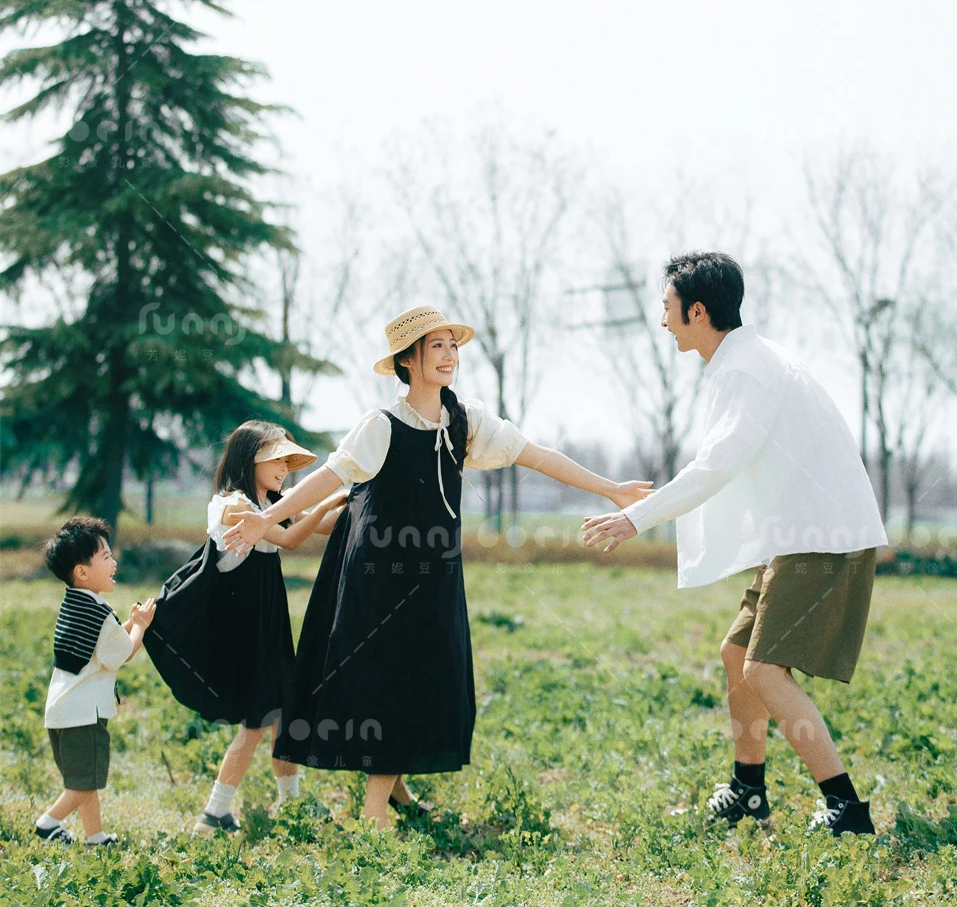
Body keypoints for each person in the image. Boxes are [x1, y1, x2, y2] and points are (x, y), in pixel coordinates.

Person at [223, 305, 652, 829]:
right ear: (407, 360)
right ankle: (375, 809)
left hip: (435, 575)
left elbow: (536, 455)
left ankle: (396, 791)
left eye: (453, 345)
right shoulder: (380, 426)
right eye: (437, 346)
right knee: (391, 676)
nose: (450, 355)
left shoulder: (466, 421)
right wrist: (266, 517)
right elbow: (328, 479)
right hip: (378, 575)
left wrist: (608, 489)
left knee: (423, 671)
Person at [582, 252, 887, 837]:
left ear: (698, 311)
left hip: (821, 535)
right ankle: (748, 791)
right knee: (737, 655)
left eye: (667, 308)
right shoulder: (744, 360)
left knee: (765, 668)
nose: (662, 320)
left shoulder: (746, 369)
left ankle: (846, 810)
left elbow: (715, 466)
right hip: (801, 534)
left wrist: (636, 518)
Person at [144, 420, 346, 836]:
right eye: (278, 459)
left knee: (280, 717)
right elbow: (290, 540)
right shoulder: (234, 505)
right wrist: (325, 505)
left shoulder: (273, 500)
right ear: (251, 457)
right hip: (243, 630)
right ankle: (214, 813)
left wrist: (353, 499)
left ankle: (288, 805)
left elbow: (320, 526)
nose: (285, 468)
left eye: (289, 461)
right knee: (257, 724)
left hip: (267, 626)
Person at [38, 516, 156, 846]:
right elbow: (121, 654)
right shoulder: (100, 614)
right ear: (82, 572)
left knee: (84, 780)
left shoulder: (74, 605)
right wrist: (140, 625)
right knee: (84, 782)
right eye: (106, 557)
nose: (114, 562)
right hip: (84, 715)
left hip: (61, 712)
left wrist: (129, 626)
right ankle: (48, 823)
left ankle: (95, 837)